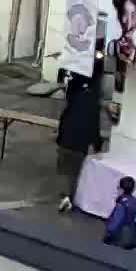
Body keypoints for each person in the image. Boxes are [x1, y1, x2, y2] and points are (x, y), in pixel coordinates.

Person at [55, 71, 103, 212]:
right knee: (75, 174)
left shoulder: (74, 98)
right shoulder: (94, 106)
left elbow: (63, 119)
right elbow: (94, 128)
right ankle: (70, 198)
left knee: (63, 170)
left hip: (66, 141)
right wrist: (97, 145)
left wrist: (60, 137)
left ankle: (64, 196)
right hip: (79, 145)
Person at [104, 176, 136, 249]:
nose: (117, 188)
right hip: (131, 237)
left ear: (122, 190)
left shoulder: (121, 205)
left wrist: (107, 237)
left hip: (119, 239)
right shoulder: (133, 201)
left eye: (118, 187)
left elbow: (116, 221)